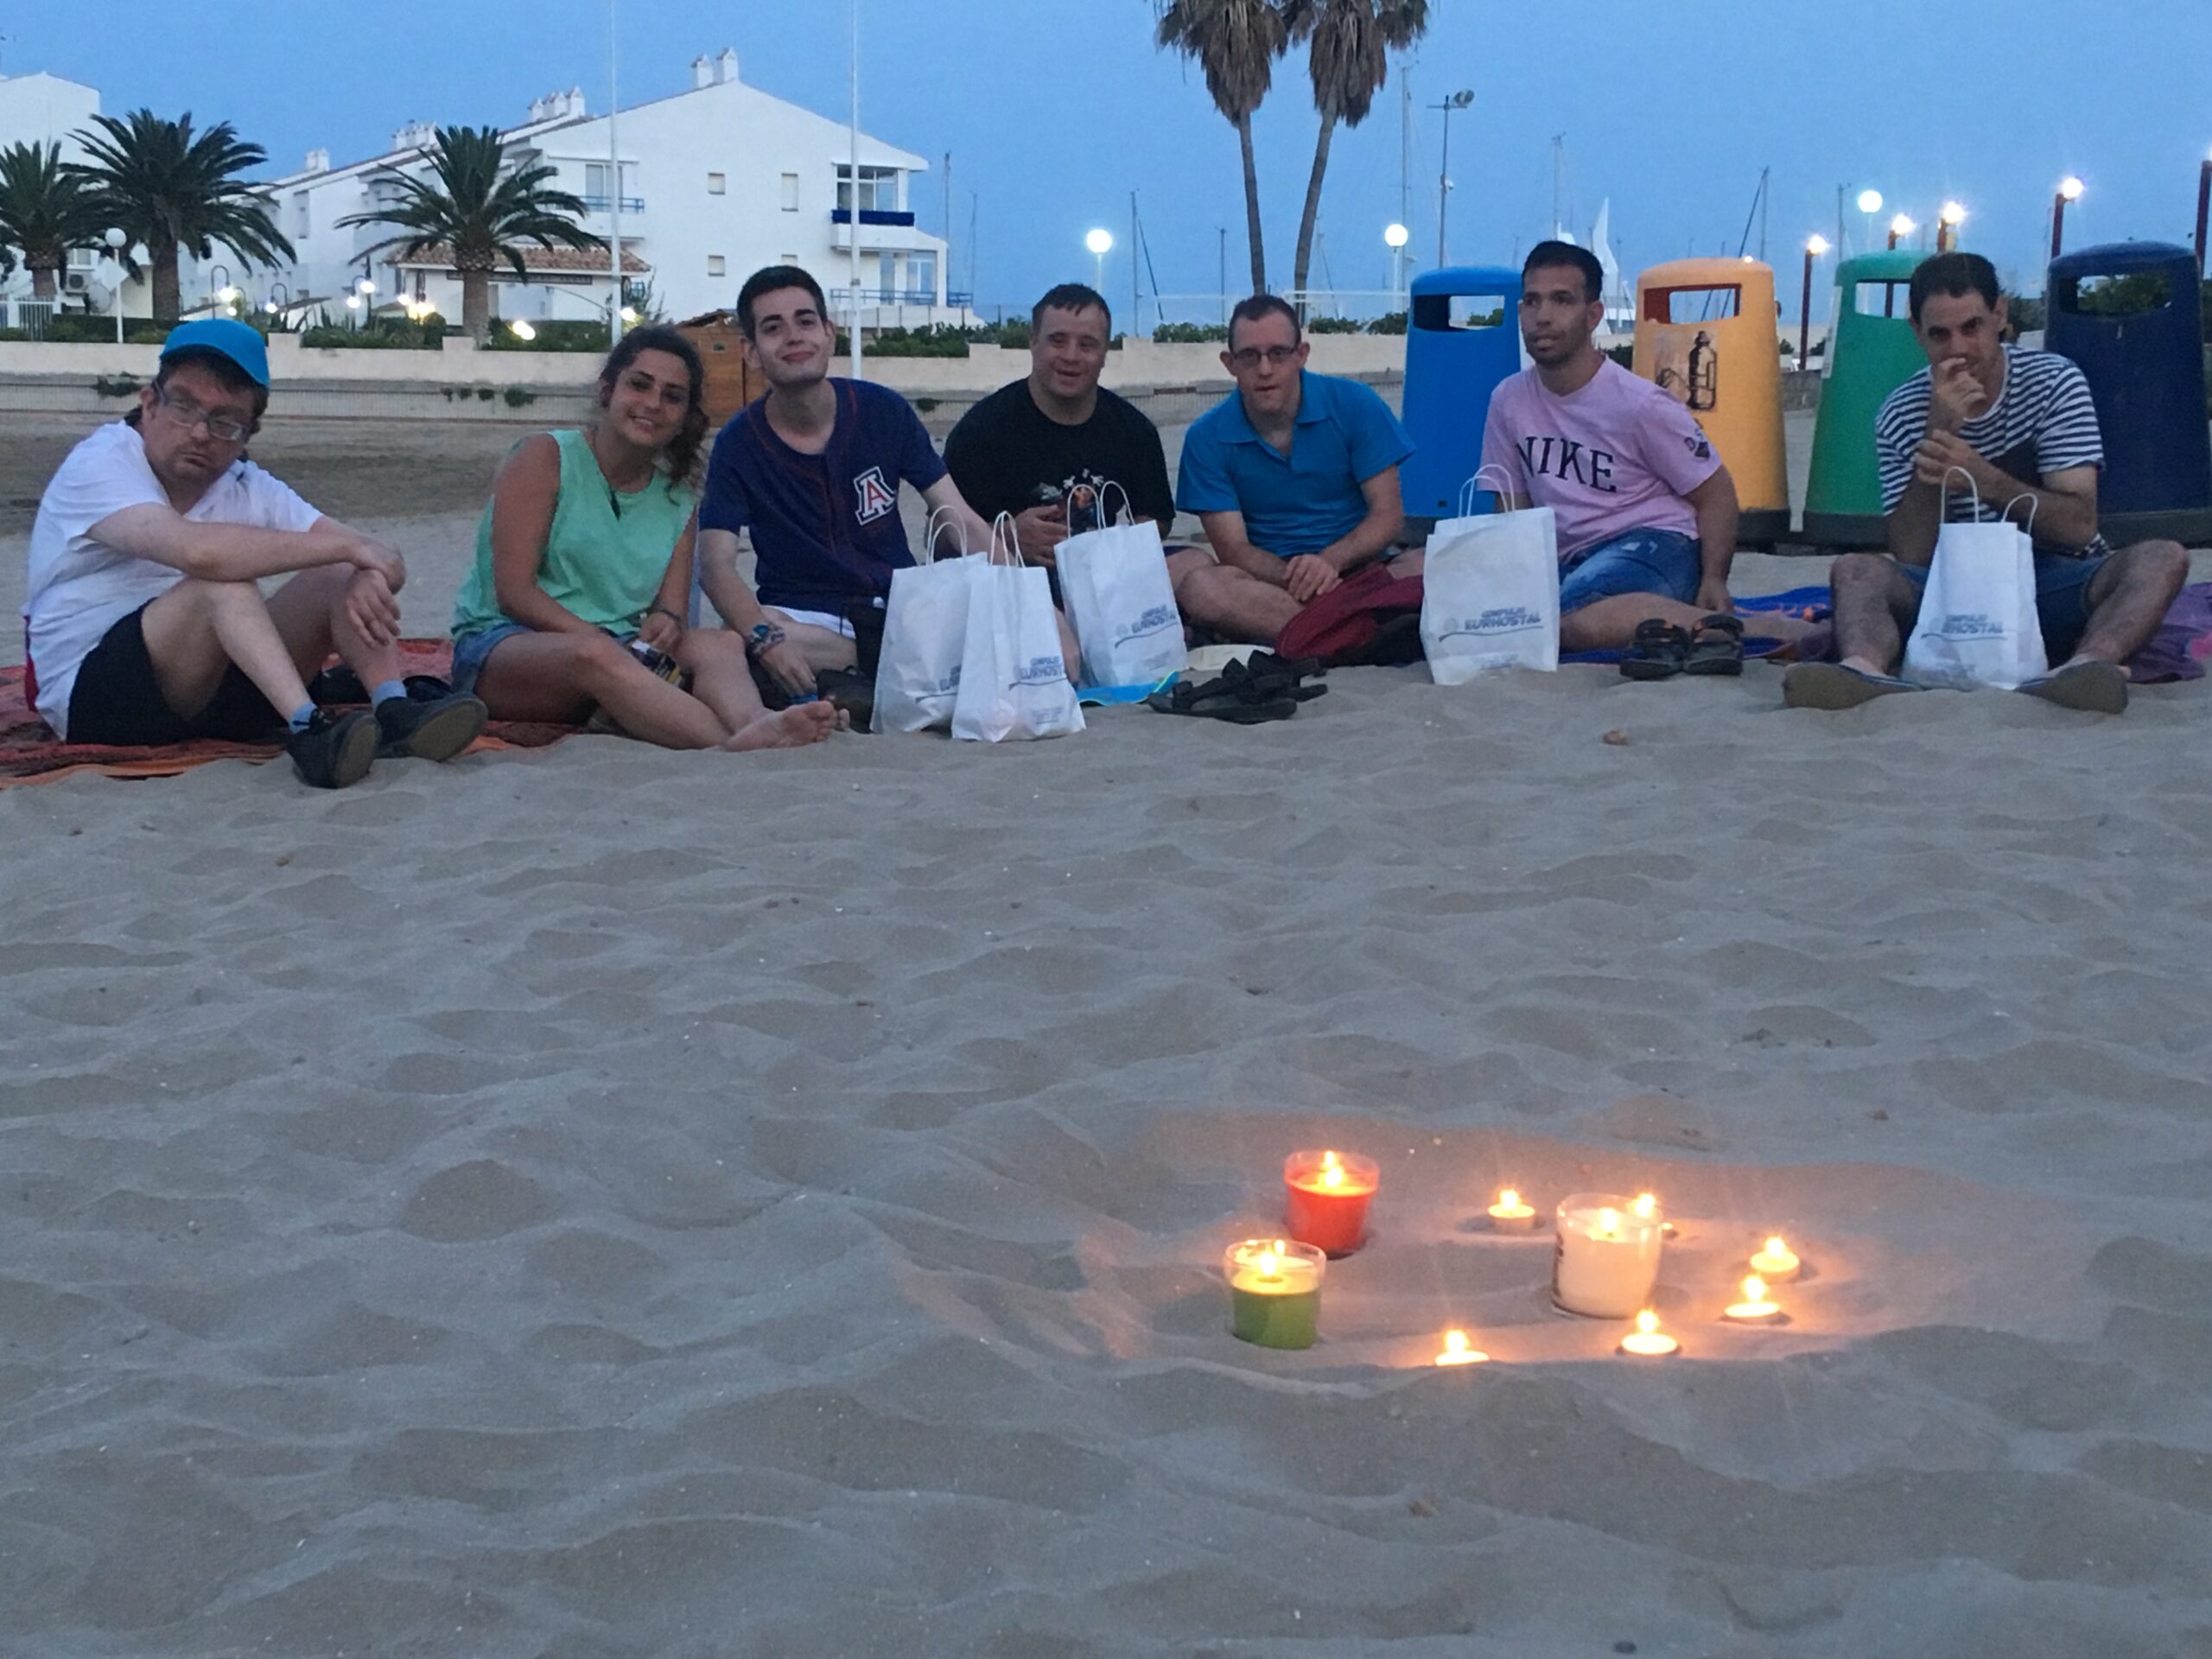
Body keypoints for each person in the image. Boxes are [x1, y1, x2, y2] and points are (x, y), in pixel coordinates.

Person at [22, 318, 484, 788]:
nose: (199, 433)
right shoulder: (100, 464)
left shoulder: (244, 483)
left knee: (339, 573)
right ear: (149, 403)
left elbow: (385, 559)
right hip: (95, 694)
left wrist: (365, 568)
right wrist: (353, 547)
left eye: (224, 422)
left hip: (210, 688)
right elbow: (199, 553)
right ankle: (308, 730)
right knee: (221, 583)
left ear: (247, 434)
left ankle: (395, 709)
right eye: (184, 407)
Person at [1784, 251, 2187, 713]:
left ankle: (2088, 666)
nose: (1958, 349)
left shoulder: (2053, 383)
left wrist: (1984, 478)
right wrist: (1937, 434)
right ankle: (1862, 668)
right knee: (1855, 570)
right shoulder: (1900, 412)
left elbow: (2078, 526)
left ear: (1999, 316)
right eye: (1940, 334)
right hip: (1949, 589)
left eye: (1971, 327)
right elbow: (1912, 553)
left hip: (2052, 579)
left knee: (2162, 558)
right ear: (1917, 332)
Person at [696, 264, 1069, 706]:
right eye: (773, 328)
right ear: (751, 351)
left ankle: (867, 673)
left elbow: (961, 522)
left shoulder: (883, 411)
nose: (794, 337)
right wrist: (765, 639)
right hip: (804, 616)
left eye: (806, 321)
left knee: (997, 617)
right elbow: (717, 566)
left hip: (899, 606)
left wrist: (1041, 610)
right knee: (738, 638)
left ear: (829, 334)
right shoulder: (738, 443)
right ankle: (886, 666)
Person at [451, 326, 838, 751]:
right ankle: (733, 745)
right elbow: (514, 593)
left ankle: (754, 720)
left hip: (621, 651)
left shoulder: (678, 498)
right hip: (507, 647)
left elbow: (671, 612)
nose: (653, 404)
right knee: (595, 656)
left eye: (672, 396)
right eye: (639, 385)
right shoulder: (545, 457)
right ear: (607, 390)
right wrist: (603, 641)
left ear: (685, 416)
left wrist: (665, 624)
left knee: (720, 644)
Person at [1479, 240, 1790, 656]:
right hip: (1567, 559)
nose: (1544, 316)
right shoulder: (1508, 400)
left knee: (1567, 616)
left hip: (1655, 543)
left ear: (1593, 315)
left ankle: (1751, 629)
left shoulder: (1639, 404)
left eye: (1562, 300)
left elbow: (1716, 491)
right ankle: (1671, 624)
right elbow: (1511, 510)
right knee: (1514, 614)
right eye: (1532, 302)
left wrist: (1714, 578)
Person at [1173, 295, 1414, 645]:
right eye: (1250, 356)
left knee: (1436, 562)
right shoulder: (1206, 438)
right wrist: (1301, 577)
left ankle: (1322, 636)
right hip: (1274, 586)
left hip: (1362, 570)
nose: (1265, 369)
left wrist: (1329, 562)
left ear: (1301, 354)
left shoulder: (1356, 404)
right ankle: (1357, 634)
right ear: (1230, 363)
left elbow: (1388, 517)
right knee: (1201, 588)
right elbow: (1234, 550)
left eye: (1278, 354)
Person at [944, 282, 1206, 588]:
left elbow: (1156, 519)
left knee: (1197, 564)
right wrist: (1006, 535)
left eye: (1087, 344)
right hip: (1011, 583)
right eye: (1057, 341)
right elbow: (940, 540)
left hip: (1102, 578)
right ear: (1033, 342)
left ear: (1105, 353)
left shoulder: (1134, 430)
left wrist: (1120, 543)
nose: (1071, 356)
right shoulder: (981, 431)